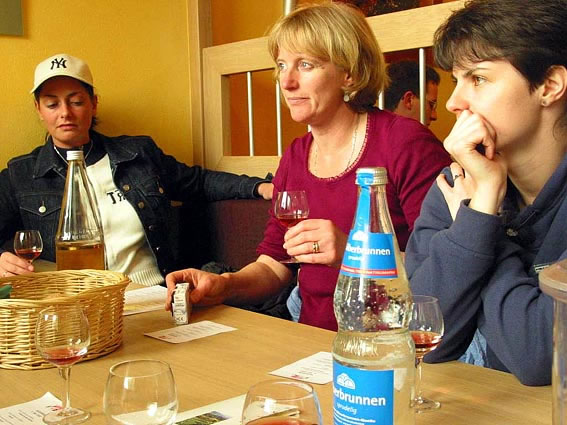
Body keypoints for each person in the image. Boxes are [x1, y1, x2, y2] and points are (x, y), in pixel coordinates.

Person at [166, 3, 450, 330]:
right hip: (311, 339)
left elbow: (443, 268)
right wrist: (224, 284)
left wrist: (352, 251)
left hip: (389, 341)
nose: (286, 82)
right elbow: (275, 265)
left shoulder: (405, 143)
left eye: (305, 64)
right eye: (281, 65)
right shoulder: (296, 155)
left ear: (349, 73)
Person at [0, 53, 273, 284]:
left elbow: (198, 181)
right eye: (52, 104)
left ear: (94, 104)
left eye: (76, 101)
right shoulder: (20, 175)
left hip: (155, 292)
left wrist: (259, 187)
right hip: (77, 303)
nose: (65, 113)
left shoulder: (138, 153)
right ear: (39, 109)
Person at [405, 0, 567, 386]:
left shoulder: (464, 197)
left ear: (549, 86)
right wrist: (480, 206)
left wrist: (479, 224)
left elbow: (539, 355)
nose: (452, 102)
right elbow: (426, 340)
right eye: (456, 80)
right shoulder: (458, 183)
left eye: (477, 79)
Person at [383, 60, 440, 127]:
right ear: (409, 100)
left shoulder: (375, 130)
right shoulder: (419, 134)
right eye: (431, 105)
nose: (434, 116)